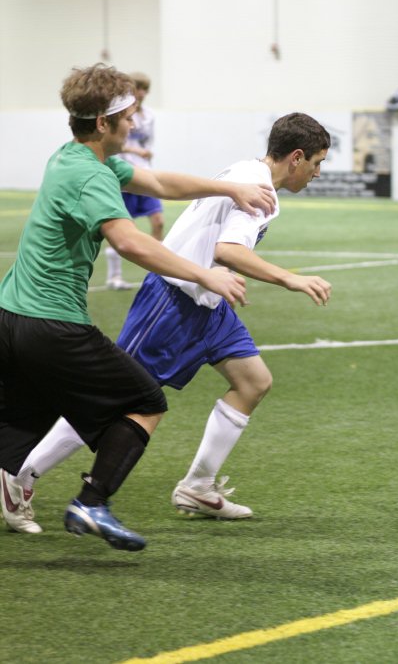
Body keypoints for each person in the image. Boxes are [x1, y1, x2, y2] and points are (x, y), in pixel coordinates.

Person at [1, 112, 331, 531]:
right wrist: (291, 278)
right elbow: (229, 251)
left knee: (253, 382)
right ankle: (19, 475)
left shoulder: (246, 172)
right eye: (317, 162)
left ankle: (197, 486)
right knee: (114, 399)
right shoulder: (261, 188)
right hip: (174, 301)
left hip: (209, 303)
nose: (318, 173)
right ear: (297, 157)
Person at [105, 72, 164, 290]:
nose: (142, 93)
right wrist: (134, 150)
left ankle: (157, 273)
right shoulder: (118, 114)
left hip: (144, 175)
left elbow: (148, 144)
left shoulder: (148, 116)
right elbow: (115, 144)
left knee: (158, 221)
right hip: (124, 178)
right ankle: (114, 276)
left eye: (145, 89)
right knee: (120, 228)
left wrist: (145, 153)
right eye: (138, 88)